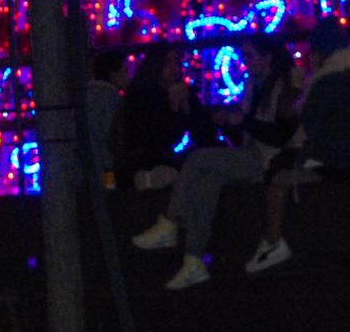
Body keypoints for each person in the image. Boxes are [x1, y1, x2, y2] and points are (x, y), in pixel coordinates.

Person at [130, 38, 304, 289]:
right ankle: (194, 260)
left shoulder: (286, 84)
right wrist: (229, 123)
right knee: (205, 183)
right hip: (254, 155)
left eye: (250, 55)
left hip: (272, 160)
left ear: (268, 58)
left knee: (198, 158)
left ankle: (169, 221)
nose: (245, 62)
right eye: (243, 56)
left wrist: (241, 122)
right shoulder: (254, 86)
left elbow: (280, 135)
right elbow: (244, 133)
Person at [244, 19, 350, 276]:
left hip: (344, 162)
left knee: (279, 175)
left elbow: (310, 130)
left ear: (318, 54)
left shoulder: (324, 83)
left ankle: (272, 242)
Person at [111, 46, 215, 191]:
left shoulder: (183, 93)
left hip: (176, 160)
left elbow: (206, 135)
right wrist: (173, 108)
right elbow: (158, 138)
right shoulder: (142, 96)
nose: (174, 68)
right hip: (143, 161)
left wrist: (186, 106)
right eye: (167, 63)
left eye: (176, 62)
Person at [84, 48, 129, 181]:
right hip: (106, 165)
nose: (128, 76)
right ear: (113, 75)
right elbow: (111, 135)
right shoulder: (111, 98)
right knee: (109, 194)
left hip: (86, 167)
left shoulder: (86, 96)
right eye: (125, 71)